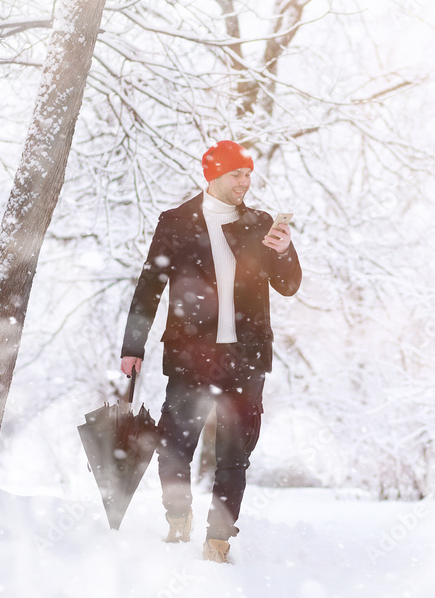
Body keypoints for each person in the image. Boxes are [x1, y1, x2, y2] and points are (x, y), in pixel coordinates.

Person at [119, 140, 302, 563]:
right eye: (238, 174)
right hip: (191, 354)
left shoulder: (260, 223)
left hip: (247, 355)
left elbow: (288, 285)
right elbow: (150, 287)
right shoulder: (176, 222)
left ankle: (218, 541)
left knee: (235, 452)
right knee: (175, 446)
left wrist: (284, 251)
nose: (246, 182)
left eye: (248, 174)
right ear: (215, 175)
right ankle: (177, 515)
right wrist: (133, 345)